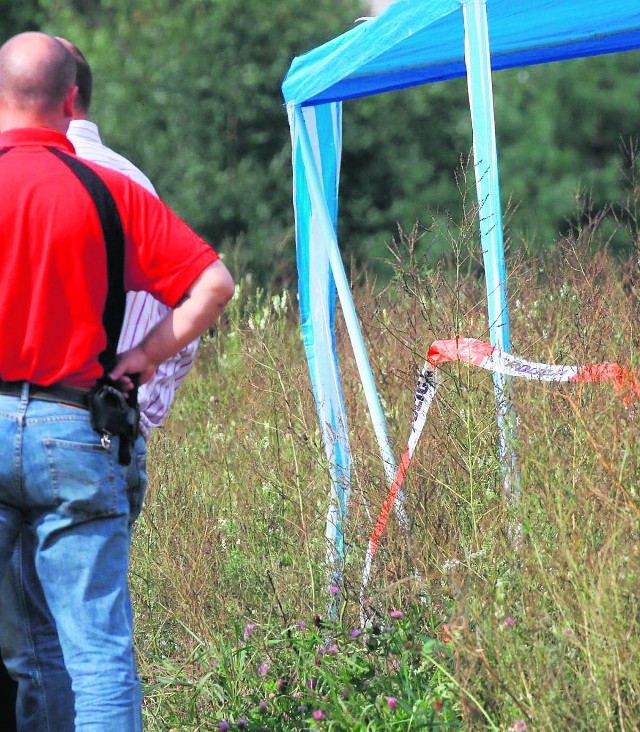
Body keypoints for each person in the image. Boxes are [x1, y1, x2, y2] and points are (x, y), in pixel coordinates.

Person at [0, 31, 234, 731]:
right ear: (72, 100)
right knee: (95, 651)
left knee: (28, 651)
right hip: (74, 430)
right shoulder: (108, 190)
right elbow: (213, 284)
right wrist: (145, 356)